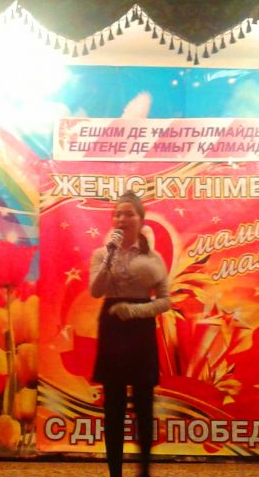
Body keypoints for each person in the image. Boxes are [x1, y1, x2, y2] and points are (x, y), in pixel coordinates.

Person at [89, 191, 171, 477]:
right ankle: (115, 473)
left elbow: (165, 301)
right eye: (117, 214)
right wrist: (109, 256)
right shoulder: (101, 254)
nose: (121, 219)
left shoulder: (153, 257)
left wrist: (134, 310)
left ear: (141, 219)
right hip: (112, 328)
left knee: (143, 403)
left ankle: (144, 471)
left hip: (140, 331)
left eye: (128, 214)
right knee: (113, 405)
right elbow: (95, 291)